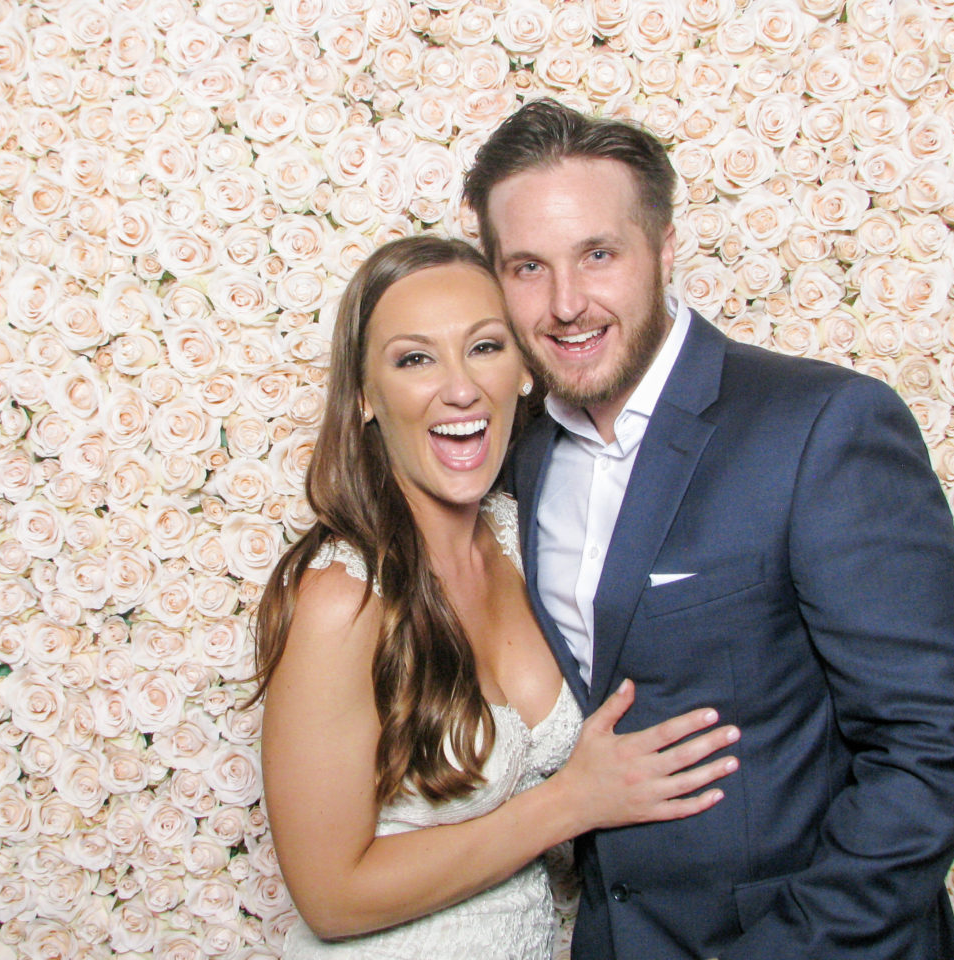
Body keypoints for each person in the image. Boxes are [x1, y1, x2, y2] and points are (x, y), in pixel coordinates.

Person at [463, 99, 954, 960]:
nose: (565, 304)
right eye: (527, 267)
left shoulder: (823, 424)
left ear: (665, 249)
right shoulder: (517, 454)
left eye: (598, 255)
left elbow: (934, 745)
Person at [252, 235, 742, 959]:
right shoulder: (341, 600)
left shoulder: (528, 538)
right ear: (363, 395)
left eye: (485, 347)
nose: (460, 388)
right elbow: (330, 897)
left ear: (524, 370)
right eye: (415, 358)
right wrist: (571, 801)